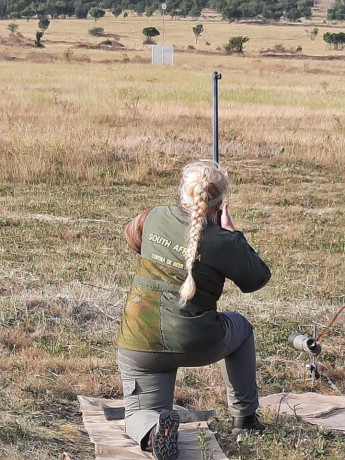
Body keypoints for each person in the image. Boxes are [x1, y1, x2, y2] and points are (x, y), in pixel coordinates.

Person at [117, 160, 271, 460]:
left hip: (140, 338)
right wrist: (233, 235)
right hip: (198, 339)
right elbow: (257, 279)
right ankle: (245, 419)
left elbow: (131, 236)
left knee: (138, 414)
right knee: (241, 327)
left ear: (182, 193)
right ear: (219, 204)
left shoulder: (154, 216)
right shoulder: (223, 240)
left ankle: (152, 431)